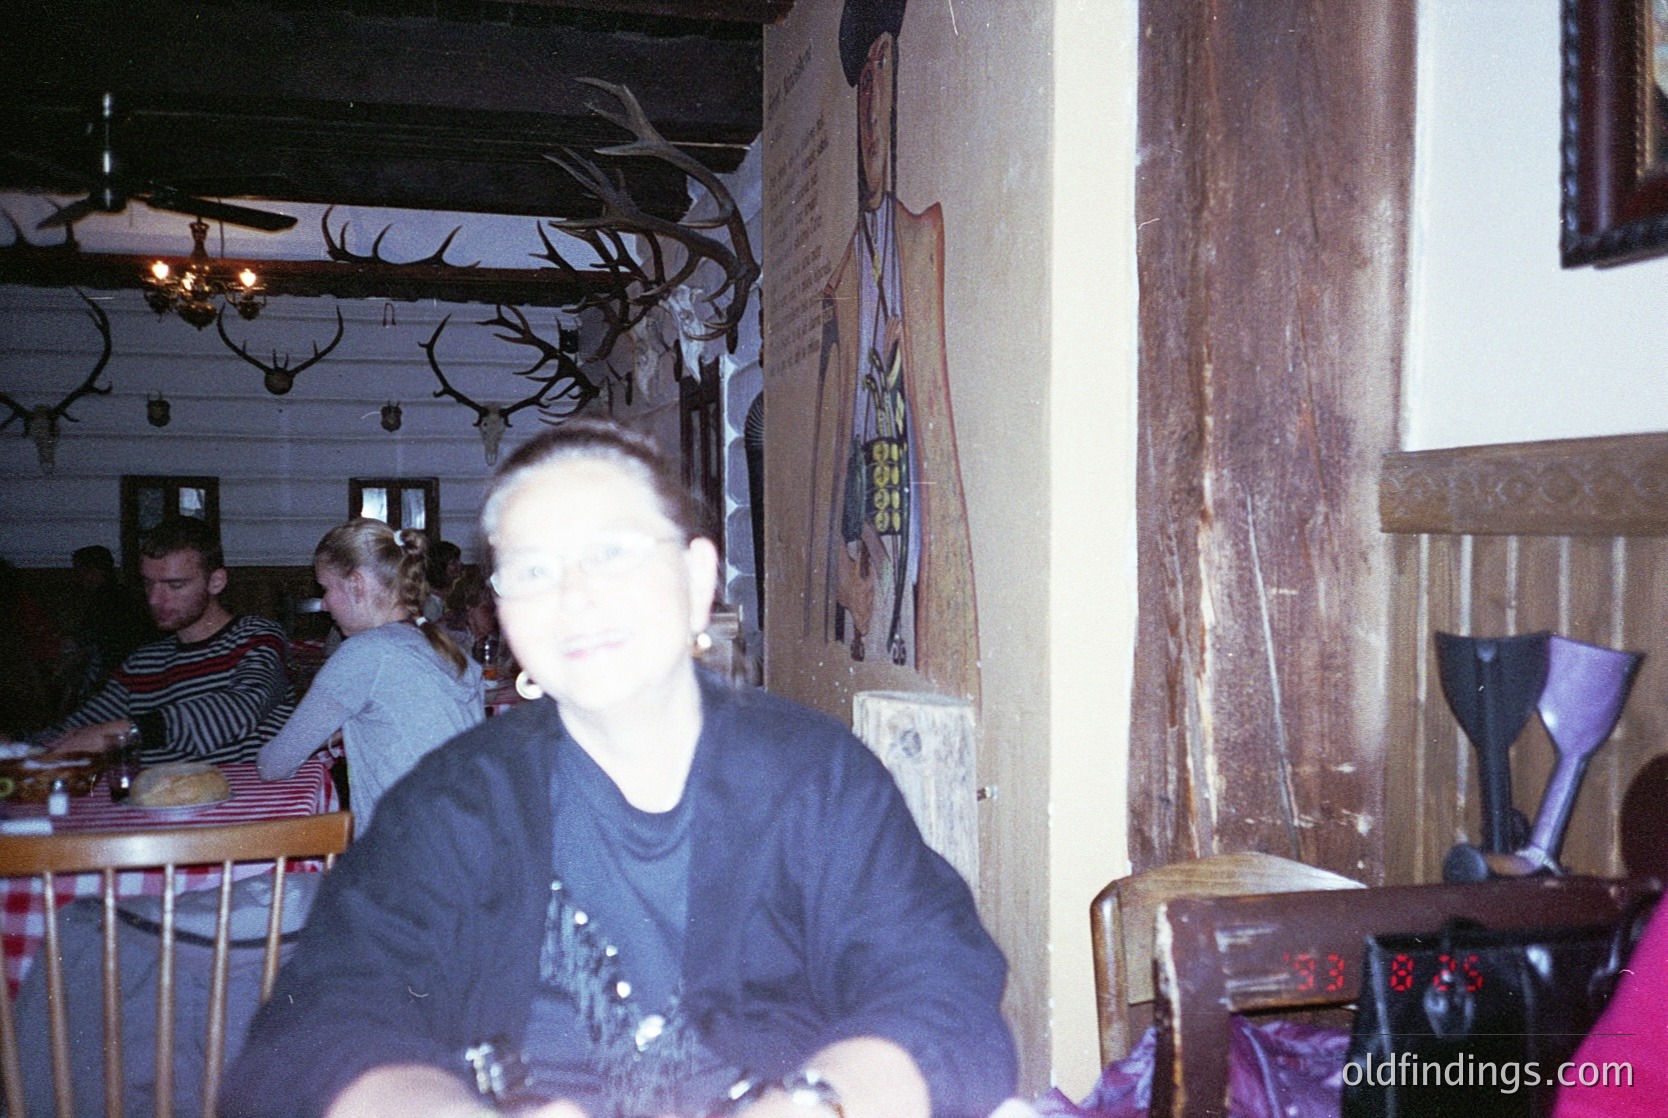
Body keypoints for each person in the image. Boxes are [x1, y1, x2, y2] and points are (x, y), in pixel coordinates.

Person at [228, 419, 1016, 1118]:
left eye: (612, 553)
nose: (576, 597)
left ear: (697, 580)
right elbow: (310, 1032)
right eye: (534, 570)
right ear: (504, 611)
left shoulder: (817, 779)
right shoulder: (451, 802)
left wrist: (822, 1103)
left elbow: (945, 997)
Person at [806, 0, 981, 708]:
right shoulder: (843, 284)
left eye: (886, 69)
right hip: (868, 570)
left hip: (918, 571)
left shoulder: (924, 242)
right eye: (865, 83)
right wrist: (842, 563)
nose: (875, 102)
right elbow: (832, 456)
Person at [257, 519, 484, 835]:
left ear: (356, 584)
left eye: (325, 588)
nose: (323, 603)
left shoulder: (364, 653)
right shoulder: (444, 645)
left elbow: (273, 765)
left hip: (407, 858)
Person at [38, 516, 294, 764]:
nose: (154, 600)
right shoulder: (143, 663)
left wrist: (130, 731)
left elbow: (243, 706)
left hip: (245, 802)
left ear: (216, 582)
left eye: (174, 585)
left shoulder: (257, 637)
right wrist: (18, 746)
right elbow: (77, 730)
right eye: (148, 584)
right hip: (153, 802)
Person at [55, 544, 153, 715]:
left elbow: (85, 638)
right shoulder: (122, 594)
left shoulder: (105, 599)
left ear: (94, 572)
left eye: (80, 571)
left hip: (113, 669)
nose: (77, 578)